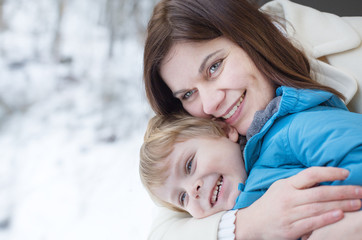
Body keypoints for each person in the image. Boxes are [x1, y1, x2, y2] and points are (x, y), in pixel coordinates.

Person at [143, 0, 362, 239]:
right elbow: (163, 231)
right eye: (187, 94)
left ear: (248, 37)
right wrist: (249, 223)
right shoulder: (214, 157)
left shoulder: (292, 129)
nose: (209, 104)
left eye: (214, 67)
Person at [140, 110, 362, 219]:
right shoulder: (239, 222)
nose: (192, 190)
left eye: (189, 166)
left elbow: (354, 148)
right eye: (182, 198)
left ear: (225, 131)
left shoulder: (287, 135)